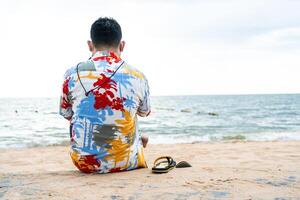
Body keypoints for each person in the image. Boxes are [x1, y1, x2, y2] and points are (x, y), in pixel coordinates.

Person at [59, 17, 151, 173]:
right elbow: (144, 112)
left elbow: (66, 113)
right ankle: (130, 146)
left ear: (90, 45)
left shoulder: (71, 74)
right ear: (122, 45)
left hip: (84, 164)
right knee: (138, 128)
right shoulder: (138, 76)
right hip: (127, 162)